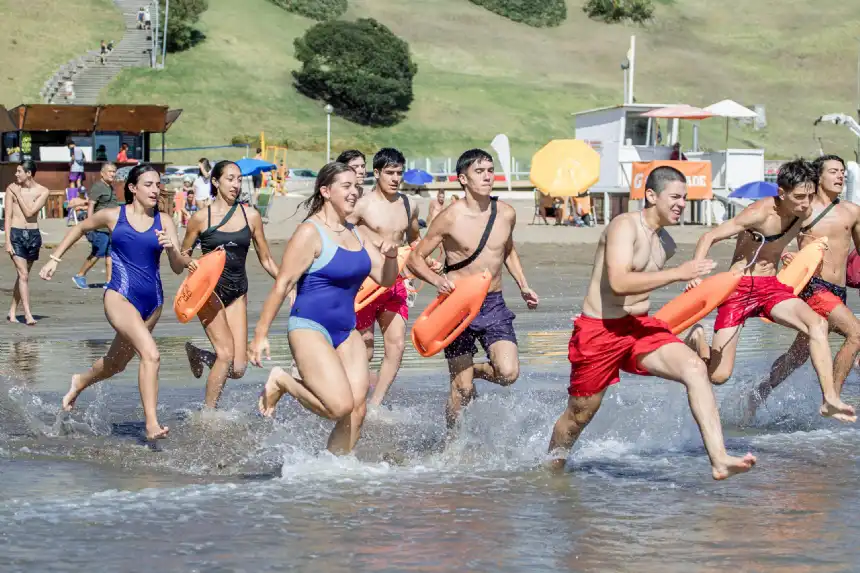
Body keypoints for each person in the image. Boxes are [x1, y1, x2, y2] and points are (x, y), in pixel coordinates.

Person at [546, 166, 757, 480]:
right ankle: (552, 469)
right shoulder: (623, 227)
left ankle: (719, 458)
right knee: (579, 415)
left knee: (695, 370)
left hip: (640, 328)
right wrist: (677, 274)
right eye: (674, 196)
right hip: (600, 330)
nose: (681, 203)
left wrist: (690, 287)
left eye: (685, 198)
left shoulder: (666, 243)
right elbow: (618, 282)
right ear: (650, 196)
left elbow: (647, 282)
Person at [685, 159, 855, 423]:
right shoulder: (759, 212)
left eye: (810, 196)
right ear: (781, 193)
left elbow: (819, 243)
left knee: (817, 324)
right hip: (738, 289)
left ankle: (830, 399)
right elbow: (709, 236)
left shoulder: (804, 212)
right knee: (719, 376)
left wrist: (798, 260)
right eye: (799, 197)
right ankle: (697, 338)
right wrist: (696, 273)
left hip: (770, 288)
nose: (805, 203)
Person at [250, 162, 399, 454]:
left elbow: (385, 277)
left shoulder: (357, 233)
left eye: (356, 186)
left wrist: (392, 257)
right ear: (326, 191)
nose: (354, 192)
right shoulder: (310, 232)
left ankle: (335, 468)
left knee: (356, 410)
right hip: (309, 326)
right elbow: (282, 284)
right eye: (346, 186)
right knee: (338, 406)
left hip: (345, 329)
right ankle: (282, 381)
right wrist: (260, 334)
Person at [39, 164, 191, 441]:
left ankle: (80, 381)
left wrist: (172, 247)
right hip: (119, 295)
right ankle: (152, 424)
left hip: (152, 302)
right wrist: (54, 259)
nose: (155, 189)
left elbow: (178, 267)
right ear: (132, 188)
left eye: (157, 184)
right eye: (148, 184)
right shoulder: (113, 215)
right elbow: (81, 228)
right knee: (151, 355)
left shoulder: (165, 220)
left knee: (116, 364)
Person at [407, 149, 539, 429]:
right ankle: (451, 444)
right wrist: (436, 281)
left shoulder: (506, 213)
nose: (487, 176)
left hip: (493, 303)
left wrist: (524, 285)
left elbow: (508, 250)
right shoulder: (450, 217)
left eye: (490, 170)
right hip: (456, 306)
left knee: (508, 373)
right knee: (462, 390)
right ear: (463, 179)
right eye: (479, 172)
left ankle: (475, 371)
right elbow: (415, 258)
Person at [752, 155, 860, 416]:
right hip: (814, 288)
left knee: (797, 357)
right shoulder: (804, 210)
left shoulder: (852, 211)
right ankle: (831, 398)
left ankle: (760, 391)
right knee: (856, 334)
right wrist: (790, 258)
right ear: (818, 177)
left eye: (842, 172)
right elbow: (777, 241)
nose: (840, 176)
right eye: (833, 171)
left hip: (838, 291)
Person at [182, 161, 280, 408]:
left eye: (238, 179)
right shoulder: (200, 218)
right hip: (208, 292)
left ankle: (197, 353)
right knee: (225, 355)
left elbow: (266, 258)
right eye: (230, 179)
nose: (236, 184)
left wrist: (287, 283)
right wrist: (188, 262)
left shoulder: (252, 216)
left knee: (237, 368)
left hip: (238, 292)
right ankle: (209, 415)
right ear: (215, 182)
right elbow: (182, 255)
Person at [349, 148, 425, 407]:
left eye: (399, 173)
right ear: (377, 173)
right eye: (389, 173)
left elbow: (415, 241)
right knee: (366, 348)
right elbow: (339, 234)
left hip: (395, 284)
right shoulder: (361, 205)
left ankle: (375, 404)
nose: (395, 178)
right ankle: (349, 394)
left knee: (397, 346)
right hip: (364, 284)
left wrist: (425, 263)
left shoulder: (409, 204)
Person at [4, 161, 50, 325]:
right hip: (16, 234)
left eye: (19, 171)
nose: (16, 175)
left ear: (29, 173)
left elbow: (30, 212)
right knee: (23, 275)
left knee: (22, 276)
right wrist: (7, 241)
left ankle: (12, 311)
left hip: (33, 235)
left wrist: (19, 196)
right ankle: (28, 314)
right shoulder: (11, 188)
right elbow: (8, 216)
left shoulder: (43, 191)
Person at [73, 162, 119, 289]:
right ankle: (80, 275)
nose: (112, 174)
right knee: (98, 253)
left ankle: (109, 281)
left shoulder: (110, 187)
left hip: (110, 228)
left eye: (114, 171)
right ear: (102, 173)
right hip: (100, 227)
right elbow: (91, 205)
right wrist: (89, 224)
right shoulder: (98, 186)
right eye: (110, 171)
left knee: (110, 255)